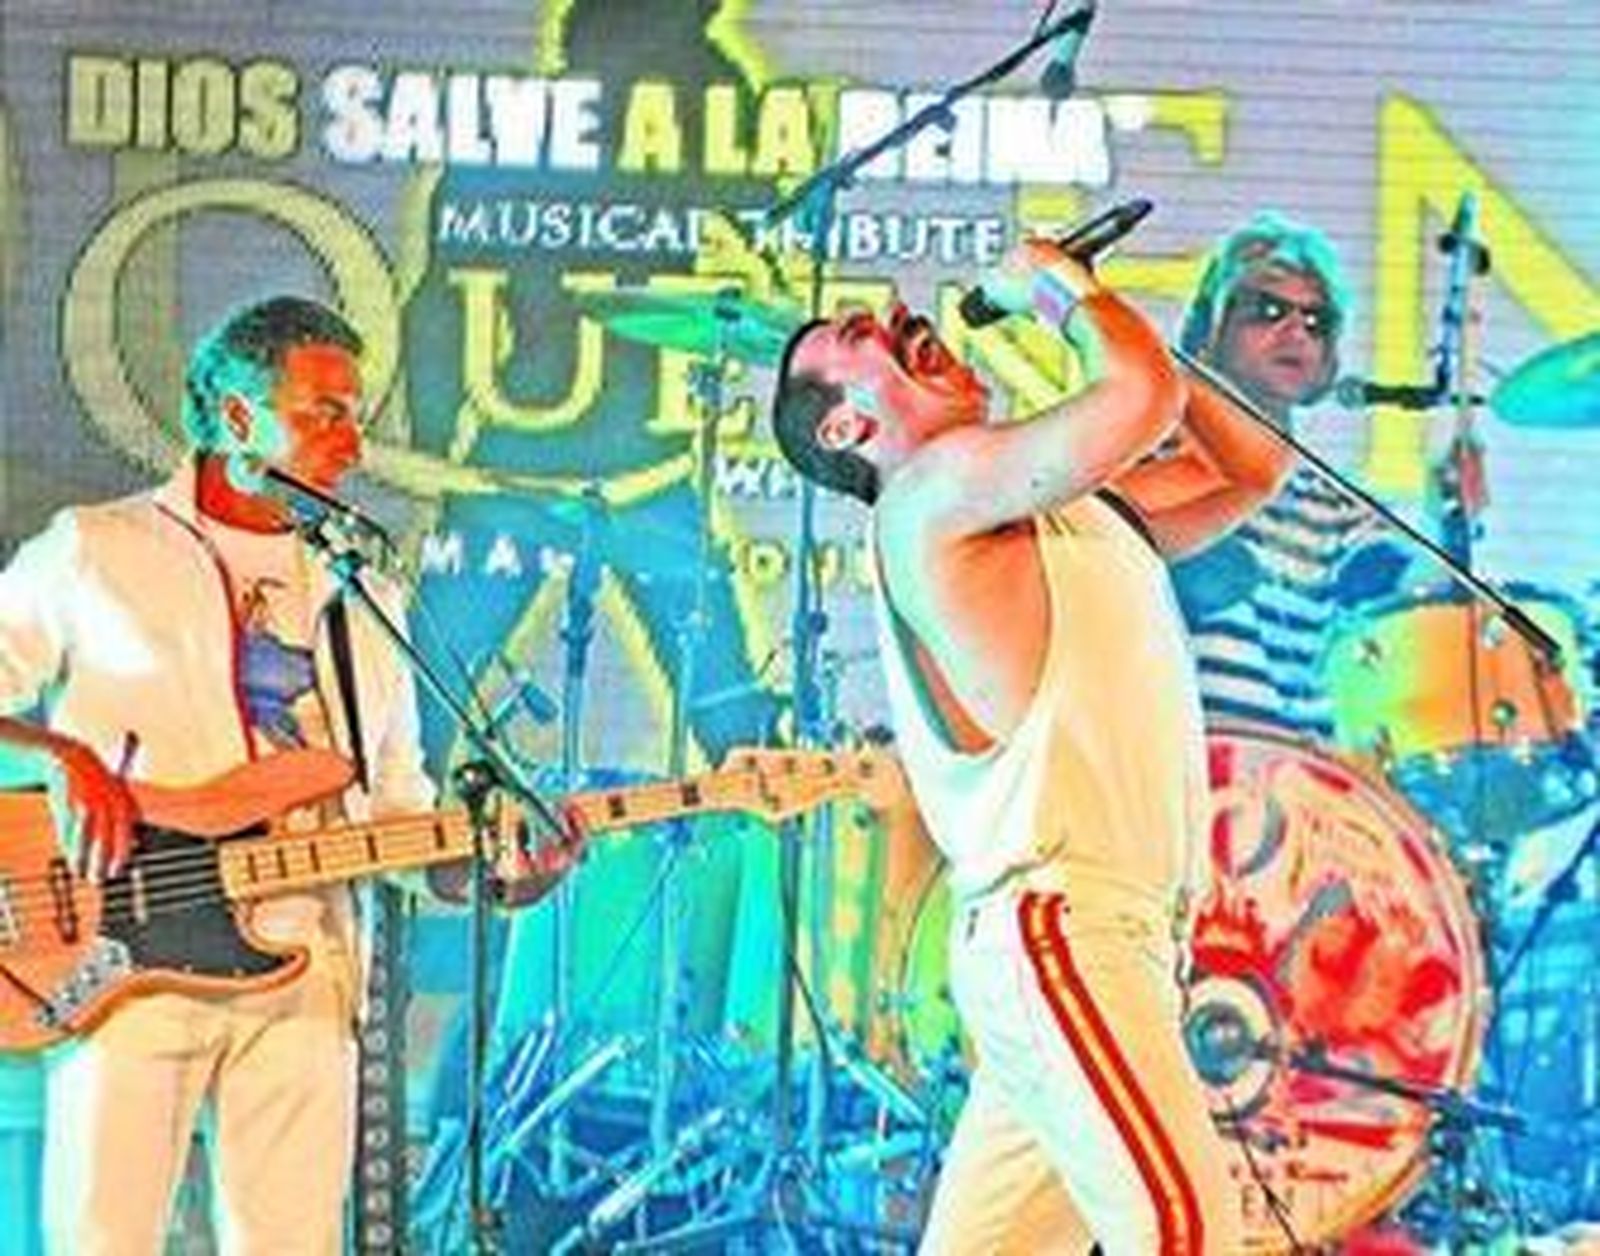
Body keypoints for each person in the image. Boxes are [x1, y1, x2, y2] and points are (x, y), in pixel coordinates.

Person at [0, 296, 557, 1253]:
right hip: (127, 960)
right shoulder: (96, 547)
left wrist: (495, 876)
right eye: (322, 413)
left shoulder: (363, 588)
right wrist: (63, 760)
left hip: (309, 973)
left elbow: (399, 811)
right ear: (235, 413)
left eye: (355, 413)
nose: (352, 439)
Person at [771, 240, 1290, 1252]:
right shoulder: (924, 491)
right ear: (847, 425)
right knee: (1183, 1233)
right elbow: (1133, 398)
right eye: (853, 334)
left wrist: (1112, 320)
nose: (887, 307)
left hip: (1093, 939)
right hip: (1067, 926)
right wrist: (1058, 291)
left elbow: (1249, 465)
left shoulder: (1071, 511)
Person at [1171, 212, 1409, 738]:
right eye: (1269, 310)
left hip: (1297, 794)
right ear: (1213, 328)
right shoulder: (1143, 467)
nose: (1295, 331)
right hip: (1165, 774)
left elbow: (1403, 612)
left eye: (1315, 321)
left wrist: (1452, 519)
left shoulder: (1341, 507)